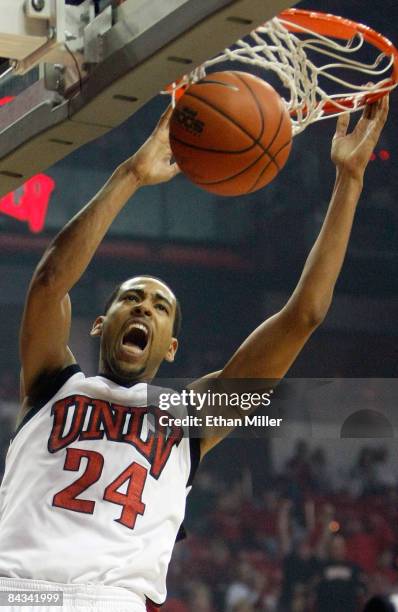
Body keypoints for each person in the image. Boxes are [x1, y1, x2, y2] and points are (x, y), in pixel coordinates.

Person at [0, 96, 389, 612]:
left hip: (110, 600)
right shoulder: (52, 380)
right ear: (100, 322)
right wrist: (132, 173)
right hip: (18, 592)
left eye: (160, 306)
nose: (143, 307)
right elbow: (50, 280)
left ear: (172, 344)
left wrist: (349, 180)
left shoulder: (190, 413)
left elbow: (304, 317)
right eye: (130, 298)